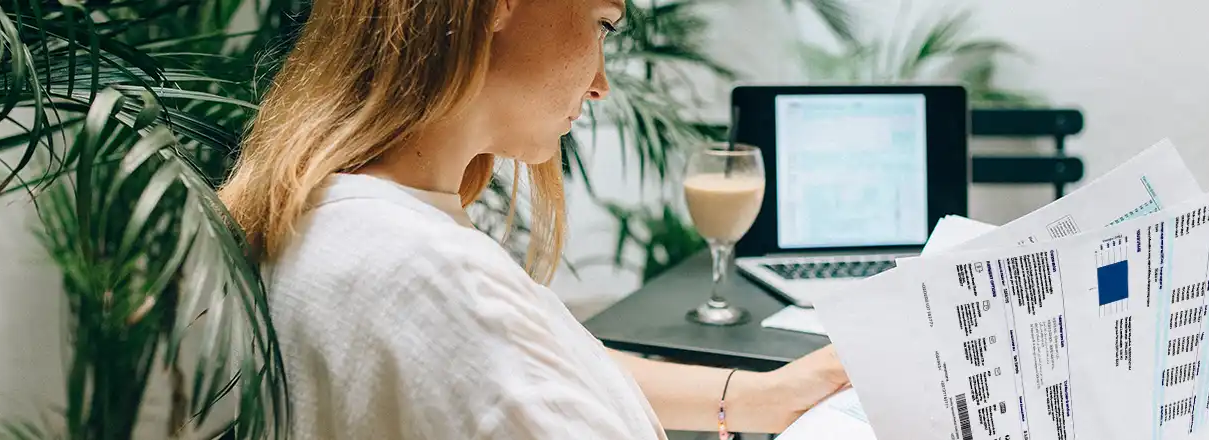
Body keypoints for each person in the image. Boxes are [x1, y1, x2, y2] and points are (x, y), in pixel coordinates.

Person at [217, 0, 850, 438]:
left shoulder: (333, 214)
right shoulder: (426, 273)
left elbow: (539, 367)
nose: (601, 83)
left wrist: (761, 397)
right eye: (603, 22)